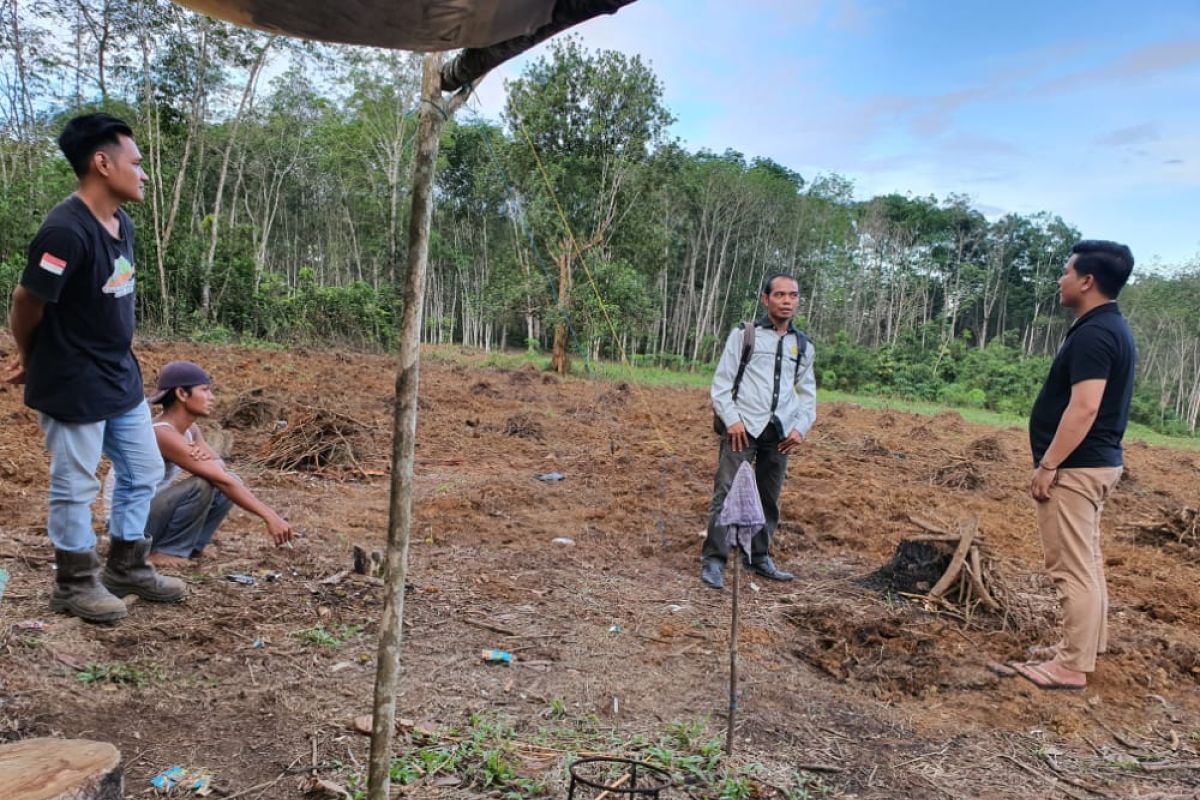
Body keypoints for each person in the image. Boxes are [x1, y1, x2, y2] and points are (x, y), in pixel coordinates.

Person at [5, 113, 184, 623]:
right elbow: (26, 299)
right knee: (76, 483)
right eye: (136, 162)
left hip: (117, 374)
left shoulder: (119, 221)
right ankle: (74, 582)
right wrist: (29, 353)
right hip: (73, 380)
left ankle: (126, 565)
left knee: (145, 469)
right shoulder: (64, 232)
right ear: (102, 163)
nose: (144, 173)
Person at [1012, 240, 1136, 691]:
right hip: (1096, 463)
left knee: (1071, 567)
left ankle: (1070, 667)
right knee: (1088, 560)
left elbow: (1083, 408)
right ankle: (1082, 650)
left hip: (1077, 467)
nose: (1060, 279)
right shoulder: (1107, 327)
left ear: (1087, 281)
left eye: (1066, 271)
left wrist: (1049, 464)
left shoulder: (1094, 334)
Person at [701, 273, 816, 589]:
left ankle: (759, 556)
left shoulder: (802, 345)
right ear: (765, 299)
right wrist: (732, 419)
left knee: (769, 495)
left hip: (780, 433)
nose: (787, 301)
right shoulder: (745, 335)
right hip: (743, 427)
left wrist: (800, 428)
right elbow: (722, 384)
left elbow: (807, 392)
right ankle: (714, 559)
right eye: (779, 295)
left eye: (792, 295)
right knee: (726, 492)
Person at [123, 360, 295, 567]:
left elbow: (220, 467)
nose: (211, 397)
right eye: (204, 390)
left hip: (149, 514)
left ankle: (192, 546)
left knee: (228, 479)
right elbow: (216, 474)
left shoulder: (190, 430)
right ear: (182, 394)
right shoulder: (162, 432)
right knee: (204, 484)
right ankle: (164, 552)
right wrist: (270, 516)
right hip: (129, 526)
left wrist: (208, 464)